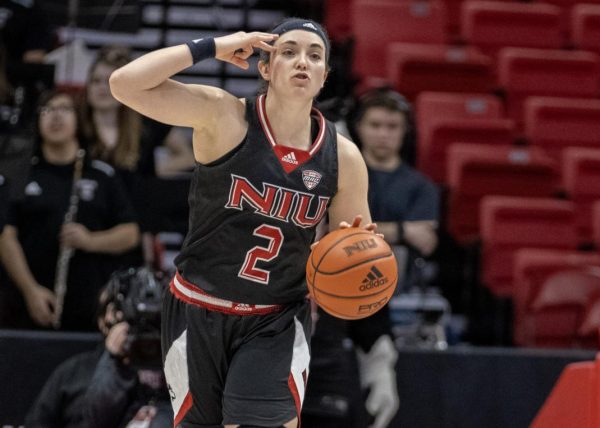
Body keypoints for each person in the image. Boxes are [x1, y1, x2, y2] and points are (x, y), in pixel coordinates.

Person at [109, 17, 377, 428]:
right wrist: (214, 46)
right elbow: (124, 84)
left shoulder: (345, 158)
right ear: (265, 68)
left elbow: (349, 252)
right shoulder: (224, 117)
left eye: (314, 55)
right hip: (197, 309)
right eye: (288, 52)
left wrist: (359, 263)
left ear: (325, 75)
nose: (302, 61)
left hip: (276, 318)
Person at [0, 89, 140, 331]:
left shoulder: (101, 174)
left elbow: (130, 233)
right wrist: (30, 290)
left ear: (78, 119)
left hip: (88, 304)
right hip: (27, 302)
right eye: (47, 110)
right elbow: (6, 236)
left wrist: (90, 240)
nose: (56, 116)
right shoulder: (20, 173)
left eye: (64, 109)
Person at [26, 267, 172, 428]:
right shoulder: (74, 372)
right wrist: (113, 360)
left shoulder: (176, 366)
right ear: (103, 319)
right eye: (120, 312)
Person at [353, 88, 440, 287]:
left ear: (404, 131)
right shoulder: (341, 175)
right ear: (359, 127)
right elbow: (335, 233)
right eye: (375, 125)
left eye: (392, 127)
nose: (383, 134)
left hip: (394, 280)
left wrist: (361, 233)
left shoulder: (422, 186)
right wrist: (403, 231)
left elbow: (426, 242)